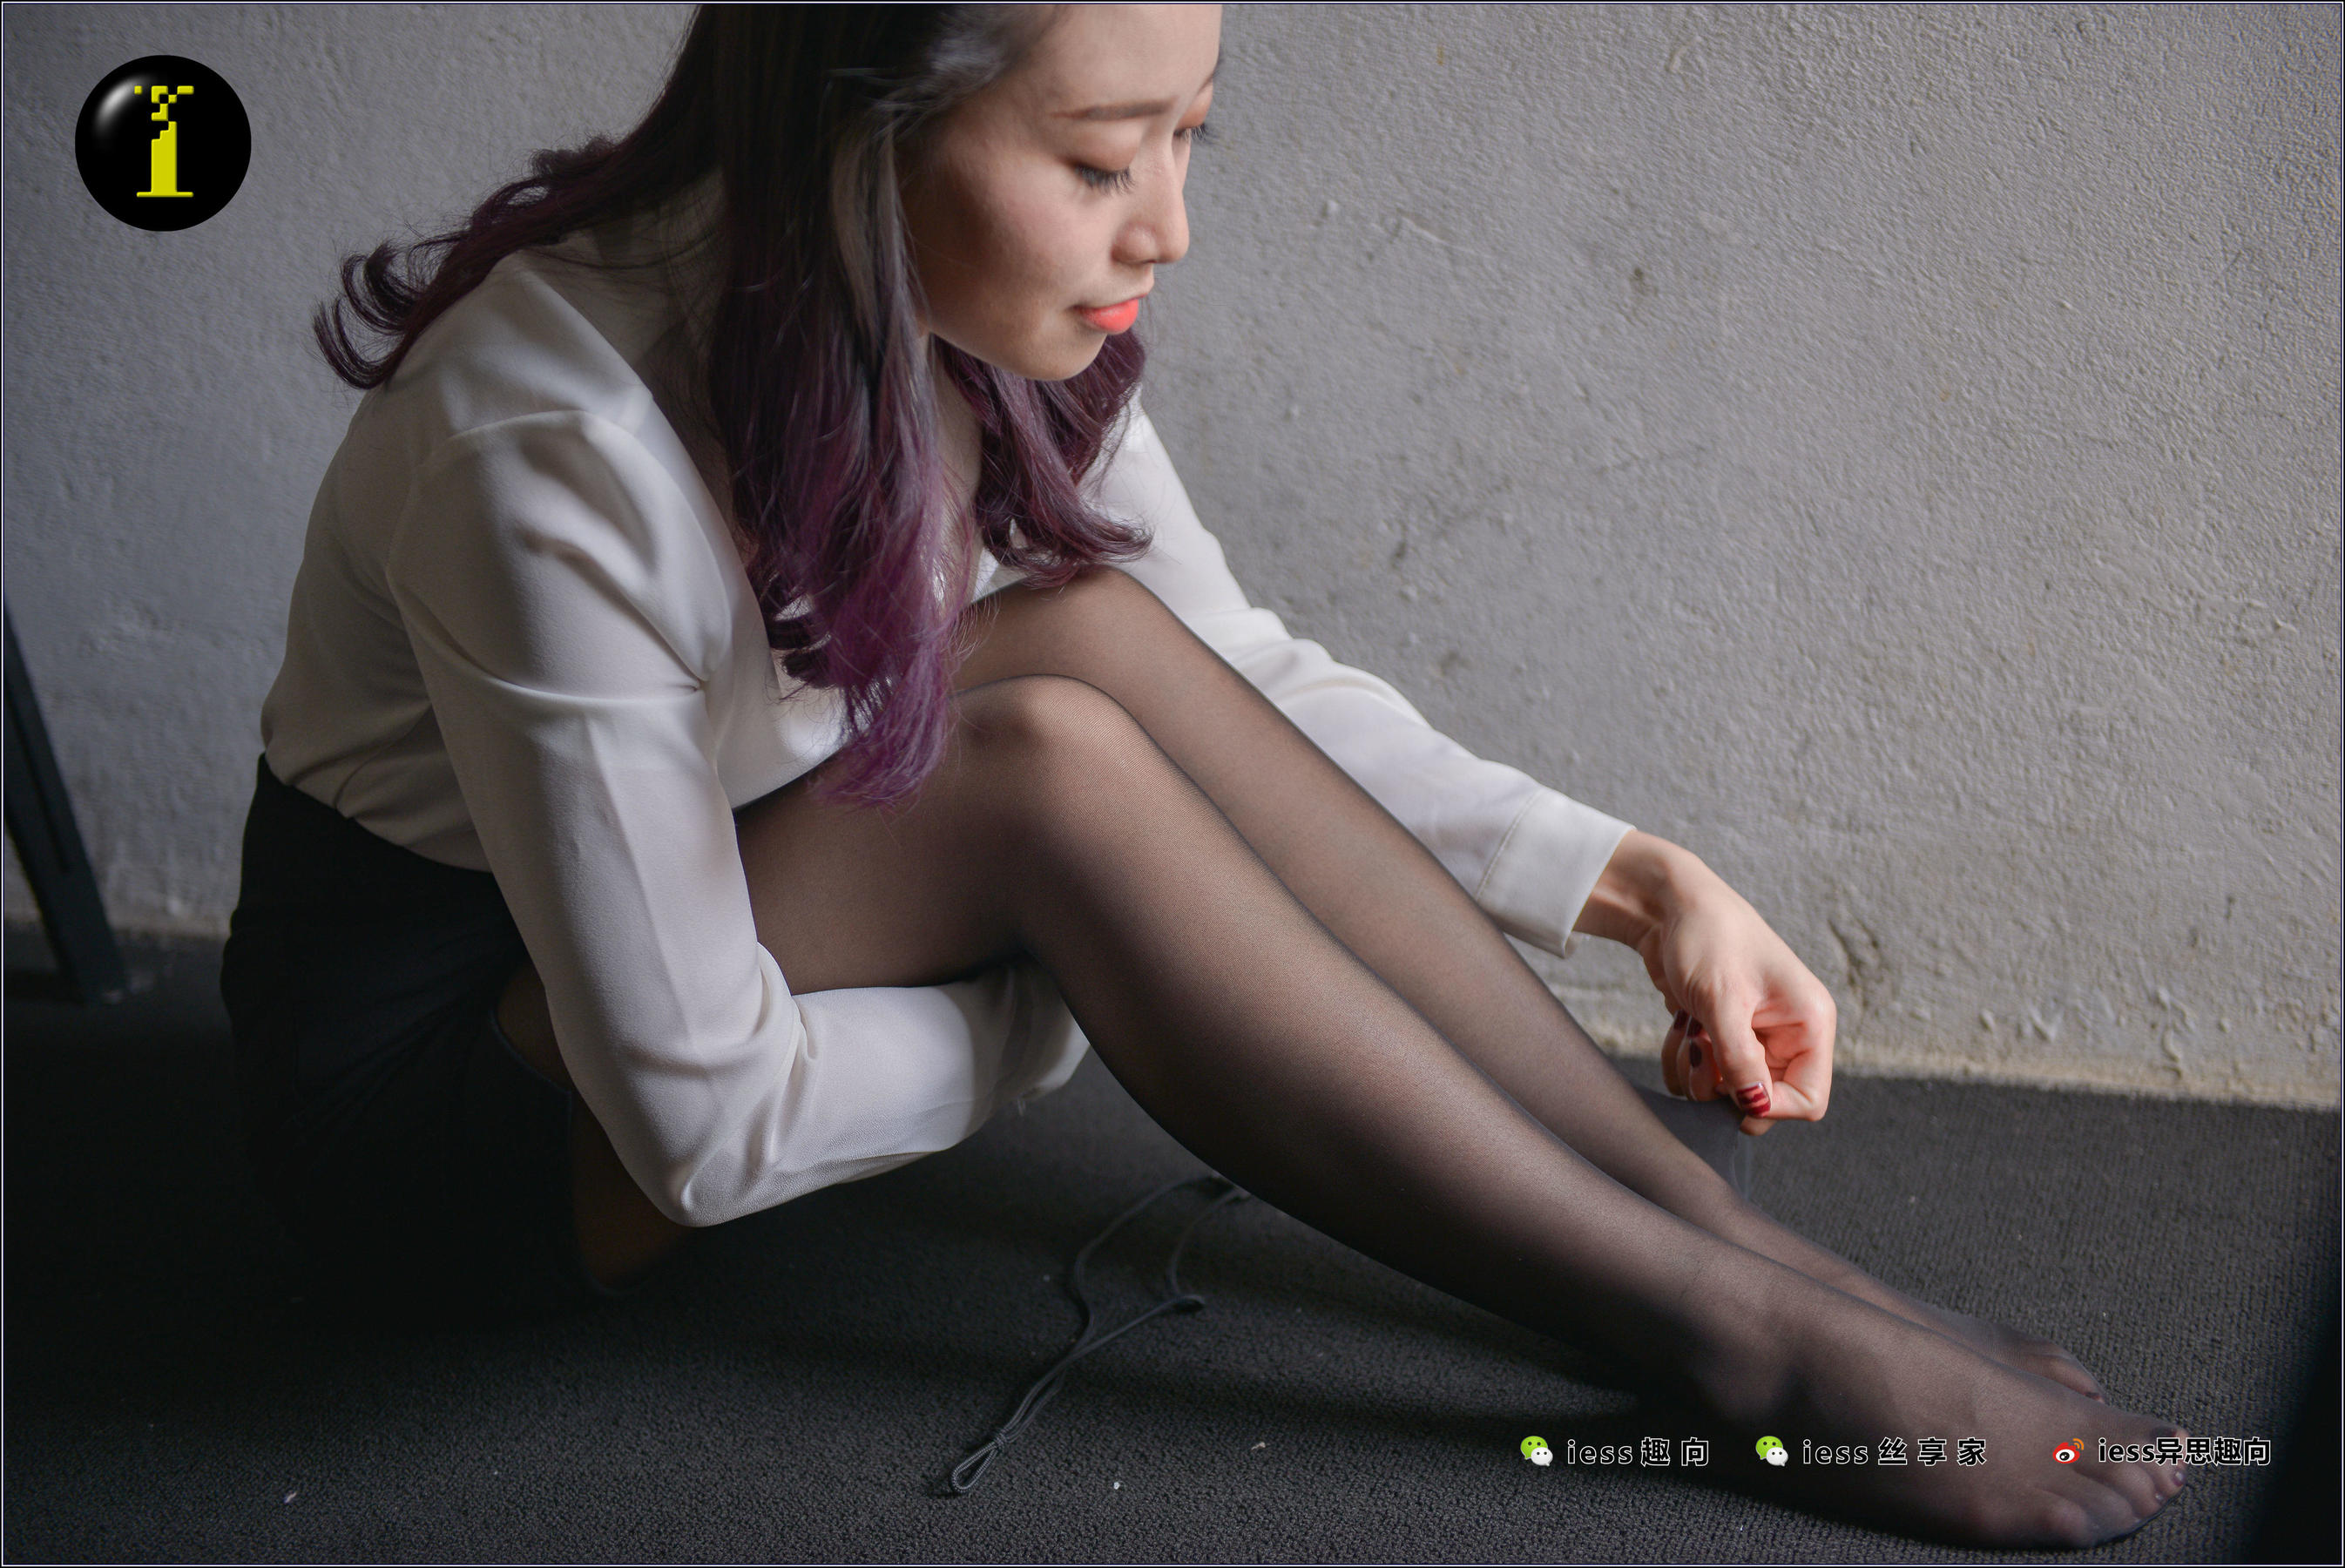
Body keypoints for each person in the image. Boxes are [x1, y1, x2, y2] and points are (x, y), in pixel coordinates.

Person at [223, 3, 2192, 1548]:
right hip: (459, 1121)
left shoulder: (970, 316)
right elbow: (701, 1125)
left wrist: (1634, 882)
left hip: (724, 928)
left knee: (1082, 640)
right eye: (1099, 159)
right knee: (1047, 767)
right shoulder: (547, 442)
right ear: (860, 128)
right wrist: (1063, 1000)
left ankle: (1735, 1246)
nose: (1165, 226)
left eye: (1190, 135)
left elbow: (1228, 684)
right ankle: (1725, 1336)